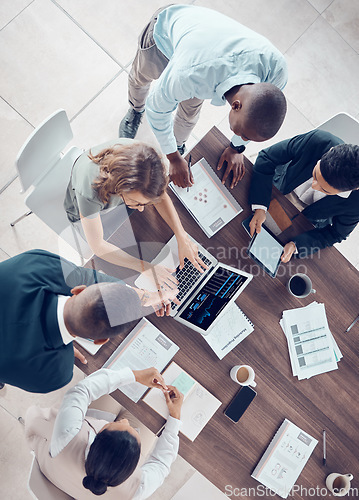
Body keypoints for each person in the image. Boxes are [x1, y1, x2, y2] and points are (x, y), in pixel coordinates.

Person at [119, 4, 288, 189]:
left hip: (198, 54)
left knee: (189, 112)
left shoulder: (276, 69)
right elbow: (157, 109)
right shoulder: (192, 75)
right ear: (236, 105)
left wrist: (236, 148)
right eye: (243, 135)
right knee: (140, 79)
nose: (242, 138)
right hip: (163, 38)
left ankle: (178, 143)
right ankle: (135, 109)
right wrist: (173, 158)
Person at [0, 249, 178, 393]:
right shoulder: (56, 374)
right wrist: (63, 348)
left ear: (78, 290)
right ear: (100, 340)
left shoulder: (37, 264)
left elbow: (86, 277)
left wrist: (153, 297)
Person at [64, 138, 207, 289]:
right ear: (120, 187)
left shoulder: (151, 161)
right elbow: (98, 246)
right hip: (89, 212)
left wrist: (181, 235)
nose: (141, 209)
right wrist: (145, 268)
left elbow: (160, 195)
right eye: (137, 203)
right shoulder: (90, 189)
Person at [25, 366, 184, 499]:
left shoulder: (67, 436)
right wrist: (175, 416)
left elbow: (81, 391)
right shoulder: (136, 491)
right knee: (155, 411)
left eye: (117, 424)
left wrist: (134, 375)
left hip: (62, 467)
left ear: (95, 438)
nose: (124, 422)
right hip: (66, 473)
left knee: (119, 389)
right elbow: (161, 464)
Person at [248, 129, 359, 261]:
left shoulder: (356, 203)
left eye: (325, 189)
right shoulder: (318, 140)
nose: (314, 186)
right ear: (329, 152)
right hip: (277, 189)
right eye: (316, 174)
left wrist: (297, 245)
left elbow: (336, 234)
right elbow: (267, 158)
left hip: (306, 220)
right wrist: (260, 206)